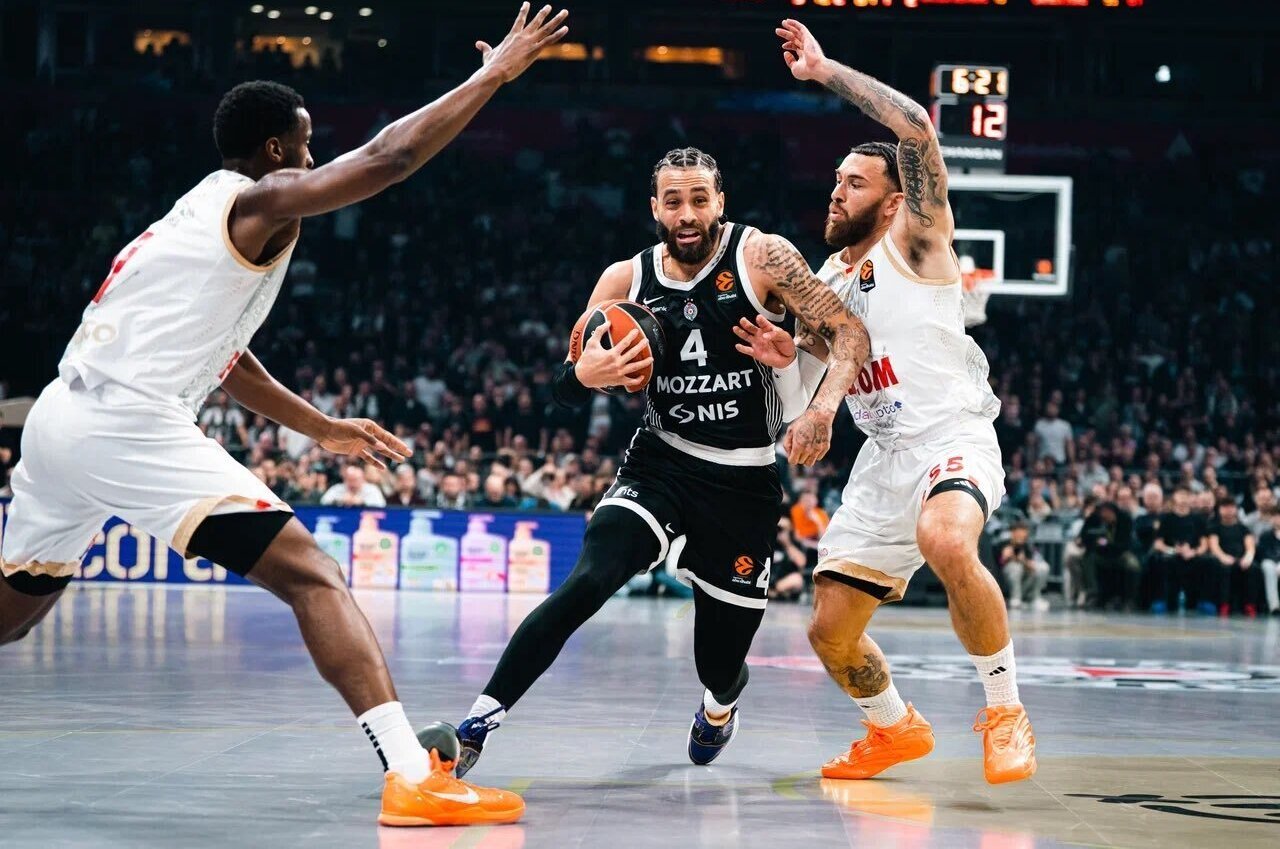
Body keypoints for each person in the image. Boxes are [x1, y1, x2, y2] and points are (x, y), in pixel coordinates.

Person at [0, 3, 569, 827]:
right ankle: (411, 775)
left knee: (13, 613)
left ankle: (412, 769)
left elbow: (227, 360)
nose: (313, 156)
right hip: (126, 421)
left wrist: (322, 428)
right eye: (306, 143)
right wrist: (492, 76)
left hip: (61, 420)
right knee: (311, 572)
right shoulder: (262, 200)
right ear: (275, 151)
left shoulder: (196, 213)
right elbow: (391, 156)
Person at [445, 145, 869, 776]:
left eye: (699, 199)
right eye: (674, 201)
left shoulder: (764, 257)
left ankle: (721, 703)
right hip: (660, 462)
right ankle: (476, 725)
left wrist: (821, 409)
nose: (687, 213)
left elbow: (850, 334)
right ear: (655, 208)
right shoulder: (624, 280)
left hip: (744, 478)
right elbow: (562, 387)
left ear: (720, 201)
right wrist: (582, 375)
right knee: (589, 579)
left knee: (717, 663)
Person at [772, 18, 1036, 785]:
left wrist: (824, 71)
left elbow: (916, 126)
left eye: (854, 182)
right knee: (829, 631)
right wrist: (788, 363)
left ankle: (1005, 711)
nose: (837, 190)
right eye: (835, 180)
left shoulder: (916, 239)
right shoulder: (826, 279)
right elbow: (816, 369)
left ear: (894, 203)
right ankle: (893, 727)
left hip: (951, 435)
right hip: (883, 460)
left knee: (946, 539)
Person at [1150, 487, 1208, 614]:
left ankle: (1200, 602)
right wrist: (1172, 550)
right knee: (1163, 562)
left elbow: (1204, 544)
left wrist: (1193, 552)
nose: (1183, 498)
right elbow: (1158, 543)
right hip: (1171, 553)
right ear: (1174, 498)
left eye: (1186, 495)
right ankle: (1164, 601)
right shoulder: (1166, 518)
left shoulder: (1198, 519)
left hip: (1192, 553)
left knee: (1206, 562)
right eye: (1180, 495)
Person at [1206, 498, 1258, 617]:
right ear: (1219, 510)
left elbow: (1250, 546)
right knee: (1224, 569)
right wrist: (1223, 557)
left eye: (1231, 507)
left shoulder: (1243, 528)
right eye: (1225, 507)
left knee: (1253, 568)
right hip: (1223, 558)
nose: (1228, 510)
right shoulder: (1214, 527)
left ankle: (1250, 605)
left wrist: (1248, 557)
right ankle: (1224, 604)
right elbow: (1214, 546)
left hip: (1241, 558)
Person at [1000, 518, 1050, 612]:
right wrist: (1005, 557)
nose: (1021, 536)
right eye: (1019, 533)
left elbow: (1032, 566)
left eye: (1024, 534)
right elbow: (998, 564)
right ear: (1012, 532)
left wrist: (1023, 560)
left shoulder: (1027, 546)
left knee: (1043, 567)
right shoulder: (1003, 543)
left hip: (1024, 582)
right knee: (1015, 567)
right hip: (1005, 582)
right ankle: (1015, 599)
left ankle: (1034, 598)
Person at [321, 462, 388, 507]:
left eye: (355, 480)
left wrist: (362, 503)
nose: (352, 483)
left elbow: (381, 506)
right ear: (344, 479)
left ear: (362, 479)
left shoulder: (372, 489)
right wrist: (340, 501)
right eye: (349, 480)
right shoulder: (337, 489)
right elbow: (323, 503)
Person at [1256, 510, 1280, 617]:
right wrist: (1276, 562)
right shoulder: (1265, 535)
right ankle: (1274, 606)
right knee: (1269, 568)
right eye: (1276, 517)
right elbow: (1262, 552)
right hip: (1269, 561)